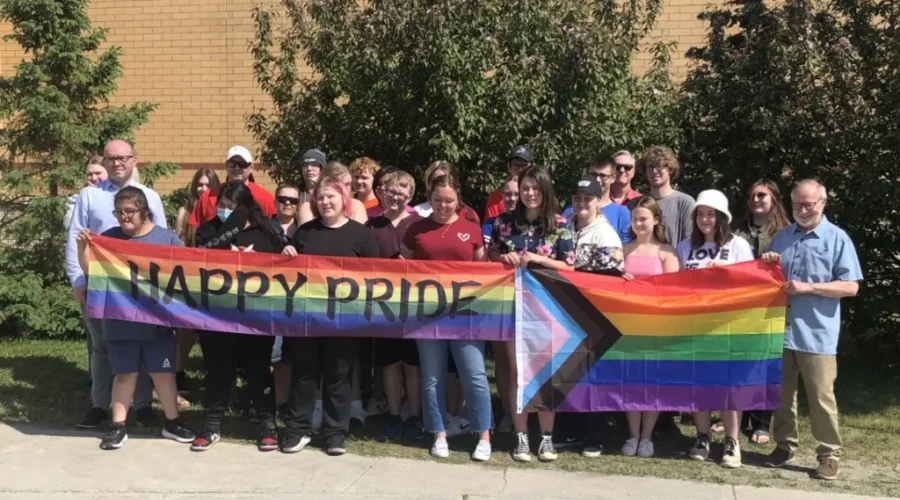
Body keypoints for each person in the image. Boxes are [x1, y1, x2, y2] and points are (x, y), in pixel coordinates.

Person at [75, 187, 195, 450]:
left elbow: (188, 274)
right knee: (124, 374)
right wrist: (82, 247)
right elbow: (92, 272)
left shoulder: (166, 240)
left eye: (129, 212)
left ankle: (172, 422)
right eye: (119, 212)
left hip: (158, 324)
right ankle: (118, 426)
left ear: (144, 211)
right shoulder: (108, 240)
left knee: (163, 374)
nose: (123, 217)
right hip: (120, 322)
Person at [761, 179, 862, 481]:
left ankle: (829, 454)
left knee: (821, 398)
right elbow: (768, 278)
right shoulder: (781, 237)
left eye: (808, 204)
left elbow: (851, 286)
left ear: (822, 203)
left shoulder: (837, 238)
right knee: (781, 395)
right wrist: (767, 262)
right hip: (780, 330)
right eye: (796, 205)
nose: (802, 210)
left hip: (817, 333)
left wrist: (810, 287)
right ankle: (784, 446)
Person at [66, 140, 164, 429]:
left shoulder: (150, 196)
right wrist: (78, 280)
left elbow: (162, 243)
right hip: (101, 286)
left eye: (123, 158)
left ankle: (144, 406)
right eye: (111, 158)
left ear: (135, 160)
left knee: (144, 345)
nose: (117, 163)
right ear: (105, 162)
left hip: (141, 289)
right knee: (101, 348)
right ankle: (99, 406)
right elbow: (75, 240)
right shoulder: (89, 196)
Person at [280, 174, 380, 456]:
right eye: (320, 198)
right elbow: (289, 272)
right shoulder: (306, 232)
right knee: (304, 374)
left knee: (339, 376)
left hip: (344, 320)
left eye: (331, 197)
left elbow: (376, 275)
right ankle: (298, 430)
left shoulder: (360, 235)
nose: (325, 202)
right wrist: (287, 252)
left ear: (344, 200)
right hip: (307, 319)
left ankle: (335, 433)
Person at [401, 174, 493, 461]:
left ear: (458, 201)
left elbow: (484, 269)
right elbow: (402, 265)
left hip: (466, 315)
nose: (443, 205)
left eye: (449, 200)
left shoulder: (472, 229)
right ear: (430, 198)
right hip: (427, 315)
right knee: (432, 376)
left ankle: (484, 436)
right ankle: (439, 433)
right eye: (438, 200)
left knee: (475, 375)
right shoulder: (416, 229)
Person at [189, 181, 285, 453]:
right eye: (222, 205)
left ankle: (267, 424)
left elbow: (282, 269)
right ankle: (211, 424)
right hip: (217, 316)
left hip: (256, 317)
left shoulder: (267, 232)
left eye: (232, 207)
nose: (225, 210)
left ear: (246, 208)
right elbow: (199, 258)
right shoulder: (209, 230)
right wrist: (227, 233)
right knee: (218, 370)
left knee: (258, 371)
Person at [489, 165, 574, 462]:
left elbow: (570, 266)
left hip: (550, 308)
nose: (529, 193)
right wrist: (503, 256)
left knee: (546, 373)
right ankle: (521, 436)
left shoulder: (561, 225)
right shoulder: (502, 222)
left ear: (545, 190)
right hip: (513, 306)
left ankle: (547, 438)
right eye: (525, 188)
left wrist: (539, 259)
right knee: (517, 372)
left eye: (535, 188)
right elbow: (491, 256)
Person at [675, 189, 753, 468]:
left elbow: (752, 283)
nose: (705, 219)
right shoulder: (685, 246)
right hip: (695, 325)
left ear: (722, 217)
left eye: (711, 214)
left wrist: (726, 270)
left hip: (728, 325)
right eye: (700, 214)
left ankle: (732, 441)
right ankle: (703, 436)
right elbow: (677, 285)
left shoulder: (738, 245)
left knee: (729, 386)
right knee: (700, 386)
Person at [727, 179, 791, 444]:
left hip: (769, 307)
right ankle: (730, 416)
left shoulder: (786, 231)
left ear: (774, 198)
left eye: (762, 195)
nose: (756, 199)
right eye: (752, 195)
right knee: (737, 361)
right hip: (738, 306)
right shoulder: (735, 229)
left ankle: (762, 423)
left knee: (765, 362)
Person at [566, 176, 625, 458]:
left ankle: (595, 436)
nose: (581, 203)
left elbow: (611, 277)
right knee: (569, 373)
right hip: (566, 311)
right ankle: (572, 430)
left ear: (597, 202)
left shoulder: (605, 233)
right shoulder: (565, 228)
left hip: (595, 313)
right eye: (577, 198)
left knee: (594, 377)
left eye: (587, 198)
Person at [366, 170, 424, 440]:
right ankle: (393, 414)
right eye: (391, 190)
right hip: (383, 306)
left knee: (412, 364)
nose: (395, 196)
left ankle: (413, 415)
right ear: (382, 192)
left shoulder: (419, 225)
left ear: (410, 196)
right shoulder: (371, 225)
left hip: (414, 305)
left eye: (402, 192)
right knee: (389, 363)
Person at [620, 196, 679, 458]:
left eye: (643, 218)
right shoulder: (622, 249)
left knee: (652, 383)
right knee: (632, 382)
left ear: (655, 220)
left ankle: (647, 437)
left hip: (657, 327)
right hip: (628, 327)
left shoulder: (666, 252)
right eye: (634, 219)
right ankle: (632, 435)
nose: (638, 224)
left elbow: (674, 291)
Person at [173, 167, 221, 399]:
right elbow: (178, 244)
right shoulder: (185, 212)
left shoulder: (220, 212)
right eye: (199, 184)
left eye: (207, 185)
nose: (203, 189)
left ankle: (211, 375)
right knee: (185, 330)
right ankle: (178, 374)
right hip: (190, 277)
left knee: (210, 331)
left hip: (215, 279)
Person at [271, 184, 303, 411]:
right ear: (275, 201)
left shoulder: (306, 230)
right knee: (274, 357)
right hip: (271, 300)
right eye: (283, 199)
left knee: (295, 357)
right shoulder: (263, 228)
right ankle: (275, 402)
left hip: (301, 301)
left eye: (293, 200)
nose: (288, 203)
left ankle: (293, 400)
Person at [188, 146, 276, 227]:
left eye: (242, 164)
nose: (237, 168)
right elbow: (195, 229)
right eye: (232, 164)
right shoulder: (207, 197)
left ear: (251, 167)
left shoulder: (265, 198)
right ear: (226, 165)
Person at [562, 154, 632, 243]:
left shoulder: (622, 214)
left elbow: (624, 249)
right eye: (593, 175)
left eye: (603, 176)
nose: (598, 179)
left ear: (613, 178)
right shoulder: (571, 211)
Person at [638, 146, 694, 246]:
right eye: (650, 167)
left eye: (659, 166)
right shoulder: (636, 204)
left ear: (670, 169)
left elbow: (689, 242)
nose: (654, 171)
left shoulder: (685, 202)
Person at [298, 162, 368, 224]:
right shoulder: (308, 208)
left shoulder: (355, 205)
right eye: (343, 185)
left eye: (349, 184)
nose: (347, 189)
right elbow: (307, 237)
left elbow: (359, 235)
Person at [484, 145, 532, 220]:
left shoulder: (536, 195)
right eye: (516, 165)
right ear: (509, 166)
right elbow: (491, 227)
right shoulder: (495, 198)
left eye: (524, 166)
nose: (520, 169)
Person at [64, 156, 108, 229]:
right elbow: (69, 224)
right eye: (89, 174)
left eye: (98, 173)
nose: (94, 178)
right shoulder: (77, 198)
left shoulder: (118, 195)